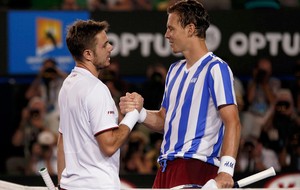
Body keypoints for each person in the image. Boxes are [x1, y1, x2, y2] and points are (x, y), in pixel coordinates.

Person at [119, 0, 241, 188]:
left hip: (196, 167)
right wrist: (140, 111)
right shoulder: (174, 70)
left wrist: (226, 171)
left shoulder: (216, 68)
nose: (166, 35)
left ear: (190, 29)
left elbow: (232, 121)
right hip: (166, 168)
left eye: (171, 29)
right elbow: (164, 120)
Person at [57, 19, 141, 190]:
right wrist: (133, 114)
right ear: (88, 54)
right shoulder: (97, 89)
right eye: (104, 45)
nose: (110, 47)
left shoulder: (67, 85)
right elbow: (109, 145)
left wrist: (61, 184)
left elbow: (62, 141)